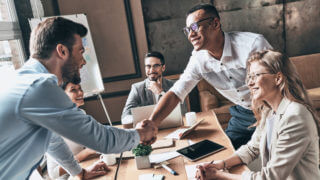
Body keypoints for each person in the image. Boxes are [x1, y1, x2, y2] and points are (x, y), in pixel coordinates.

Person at [0, 17, 156, 179]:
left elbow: (53, 141)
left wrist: (79, 173)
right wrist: (141, 134)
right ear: (62, 51)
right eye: (80, 52)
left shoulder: (23, 80)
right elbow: (102, 140)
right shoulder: (39, 86)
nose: (83, 61)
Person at [144, 3, 272, 149]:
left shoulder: (252, 45)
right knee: (222, 153)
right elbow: (176, 93)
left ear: (215, 24)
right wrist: (152, 123)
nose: (191, 35)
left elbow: (279, 83)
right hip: (243, 113)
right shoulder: (198, 59)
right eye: (187, 30)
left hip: (271, 108)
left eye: (194, 27)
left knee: (276, 155)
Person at [195, 50, 320, 180]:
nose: (249, 83)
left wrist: (219, 175)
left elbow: (270, 177)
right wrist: (221, 164)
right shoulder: (269, 110)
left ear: (278, 78)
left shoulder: (295, 116)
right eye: (249, 77)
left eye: (255, 75)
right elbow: (252, 148)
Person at [47, 82, 101, 180]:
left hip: (83, 167)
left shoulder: (81, 113)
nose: (80, 93)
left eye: (80, 88)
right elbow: (53, 174)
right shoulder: (53, 124)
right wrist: (86, 153)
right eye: (73, 90)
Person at [121, 51, 186, 126]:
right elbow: (125, 116)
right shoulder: (137, 88)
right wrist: (142, 121)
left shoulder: (174, 85)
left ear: (163, 67)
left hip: (172, 128)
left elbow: (182, 112)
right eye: (148, 66)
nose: (151, 70)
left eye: (156, 66)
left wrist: (161, 92)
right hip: (148, 131)